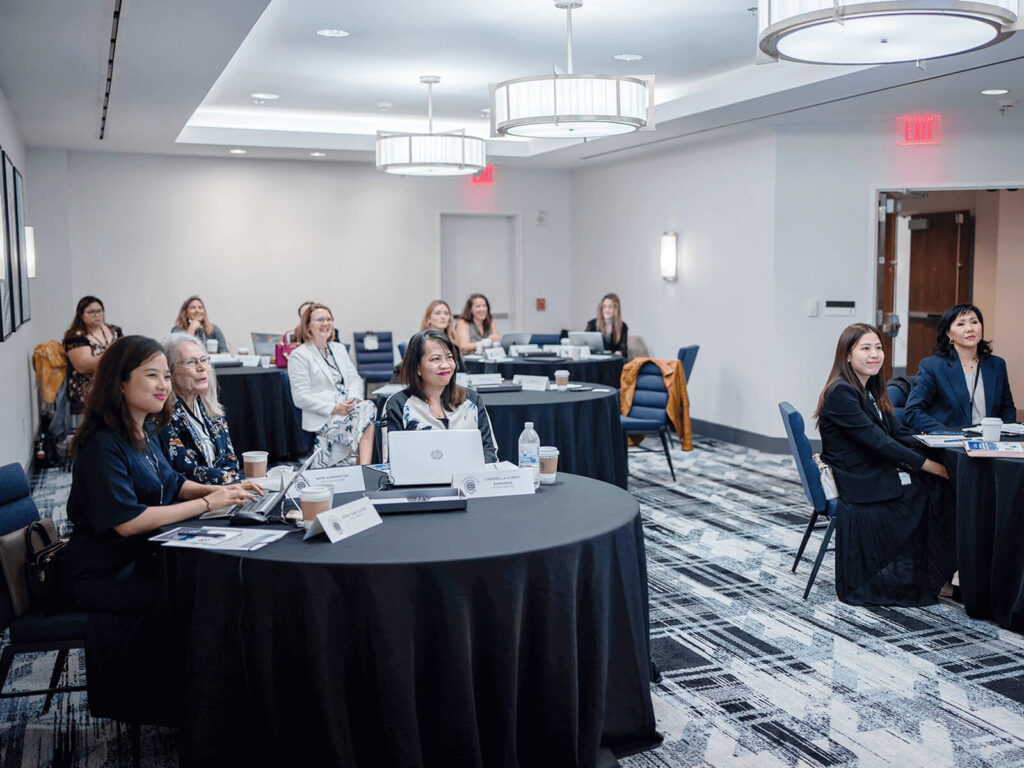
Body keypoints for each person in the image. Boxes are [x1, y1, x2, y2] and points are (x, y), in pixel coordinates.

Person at [62, 335, 262, 724]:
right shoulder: (103, 444)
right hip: (105, 572)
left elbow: (172, 484)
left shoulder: (143, 430)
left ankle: (218, 699)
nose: (163, 385)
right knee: (204, 594)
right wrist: (208, 504)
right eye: (151, 375)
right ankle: (192, 707)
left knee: (215, 580)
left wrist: (225, 491)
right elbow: (127, 522)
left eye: (166, 376)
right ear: (120, 383)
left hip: (143, 554)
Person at [815, 323, 955, 606]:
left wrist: (942, 442)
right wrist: (933, 466)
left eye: (878, 347)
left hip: (871, 471)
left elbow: (898, 434)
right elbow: (881, 444)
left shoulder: (869, 389)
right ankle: (932, 576)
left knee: (937, 488)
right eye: (865, 348)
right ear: (847, 355)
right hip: (860, 483)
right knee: (933, 490)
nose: (875, 354)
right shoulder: (841, 393)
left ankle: (938, 573)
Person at [384, 329, 498, 463]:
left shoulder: (471, 400)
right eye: (436, 359)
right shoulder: (398, 405)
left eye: (449, 357)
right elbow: (391, 462)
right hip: (420, 482)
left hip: (469, 480)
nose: (445, 365)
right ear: (417, 368)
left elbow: (489, 451)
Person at [904, 303, 1016, 433]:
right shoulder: (933, 366)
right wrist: (947, 433)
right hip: (951, 444)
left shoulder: (997, 365)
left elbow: (1007, 409)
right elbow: (913, 411)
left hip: (990, 442)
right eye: (961, 324)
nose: (969, 328)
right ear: (949, 334)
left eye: (974, 322)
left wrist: (1005, 435)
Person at [287, 303, 376, 467]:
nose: (325, 323)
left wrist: (354, 400)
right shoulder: (299, 355)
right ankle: (364, 468)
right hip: (324, 418)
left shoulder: (339, 349)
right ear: (307, 326)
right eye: (320, 319)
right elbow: (300, 398)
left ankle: (361, 467)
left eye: (329, 319)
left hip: (349, 410)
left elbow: (355, 379)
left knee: (366, 408)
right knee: (368, 412)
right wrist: (334, 408)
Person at [158, 333, 241, 484]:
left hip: (226, 492)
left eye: (204, 360)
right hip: (194, 501)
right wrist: (235, 481)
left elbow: (231, 460)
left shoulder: (210, 408)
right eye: (190, 362)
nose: (201, 367)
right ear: (170, 372)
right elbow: (188, 472)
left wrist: (234, 482)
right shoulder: (164, 416)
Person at [63, 295, 124, 406]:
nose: (97, 315)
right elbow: (83, 366)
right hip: (87, 383)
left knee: (137, 387)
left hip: (114, 378)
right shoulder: (76, 336)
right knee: (119, 395)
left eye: (99, 311)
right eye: (91, 312)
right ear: (81, 315)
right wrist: (110, 352)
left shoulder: (114, 330)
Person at [420, 299, 463, 370]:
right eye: (437, 313)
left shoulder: (454, 345)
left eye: (446, 313)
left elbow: (461, 372)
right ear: (428, 319)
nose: (443, 317)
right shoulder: (421, 343)